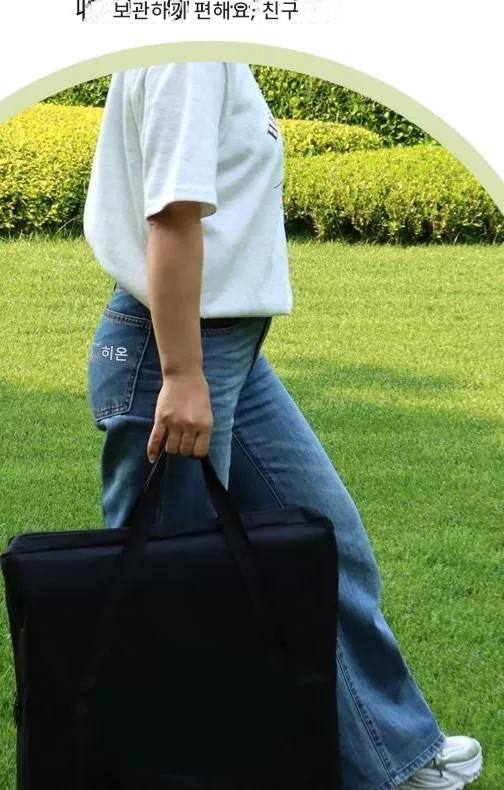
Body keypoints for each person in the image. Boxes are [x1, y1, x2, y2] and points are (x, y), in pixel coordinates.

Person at [83, 60, 483, 789]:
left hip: (226, 351)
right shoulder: (187, 51)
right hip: (173, 355)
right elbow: (171, 215)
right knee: (171, 599)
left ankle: (388, 761)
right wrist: (182, 373)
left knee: (325, 546)